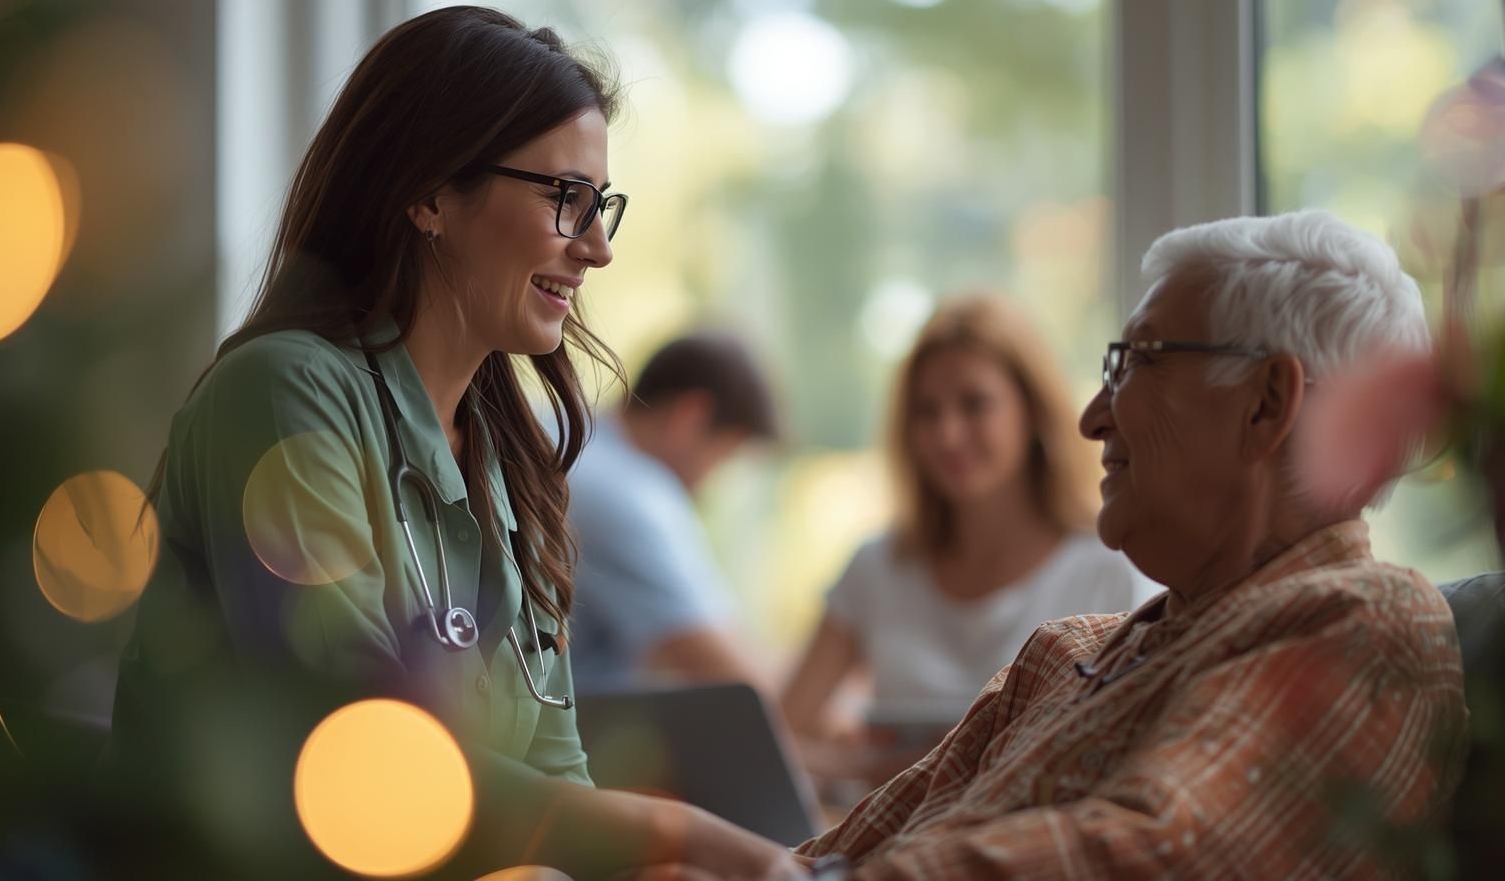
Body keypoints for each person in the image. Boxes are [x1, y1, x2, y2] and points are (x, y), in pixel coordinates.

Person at [105, 7, 800, 880]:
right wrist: (682, 836)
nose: (596, 249)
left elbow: (556, 773)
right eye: (565, 199)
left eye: (602, 207)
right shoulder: (285, 391)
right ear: (431, 193)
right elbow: (359, 753)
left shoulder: (509, 463)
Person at [794, 210, 1468, 878]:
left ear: (1265, 404)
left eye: (1138, 363)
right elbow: (827, 859)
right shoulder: (1057, 660)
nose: (1091, 417)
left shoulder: (1370, 624)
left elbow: (1152, 856)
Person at [781, 293, 1152, 788]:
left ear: (1033, 412)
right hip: (886, 849)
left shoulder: (1110, 568)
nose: (947, 434)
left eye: (974, 405)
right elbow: (781, 733)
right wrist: (868, 767)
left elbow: (1130, 753)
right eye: (926, 412)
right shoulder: (878, 567)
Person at [567, 331, 780, 692]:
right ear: (689, 418)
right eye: (724, 457)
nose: (711, 485)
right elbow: (734, 677)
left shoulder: (563, 436)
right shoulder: (628, 493)